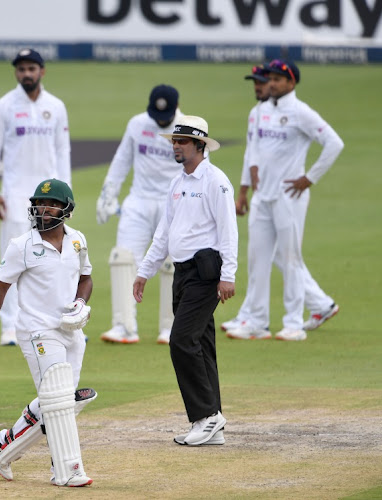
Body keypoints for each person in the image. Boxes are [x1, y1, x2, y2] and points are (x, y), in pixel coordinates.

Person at [0, 178, 95, 487]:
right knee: (58, 400)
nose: (44, 209)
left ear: (67, 209)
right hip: (37, 331)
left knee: (62, 403)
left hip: (71, 330)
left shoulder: (77, 240)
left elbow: (86, 277)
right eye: (39, 203)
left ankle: (3, 445)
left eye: (51, 204)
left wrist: (80, 302)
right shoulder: (21, 245)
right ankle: (65, 469)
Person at [133, 115, 238, 446]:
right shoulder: (177, 183)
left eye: (182, 142)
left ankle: (207, 416)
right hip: (182, 273)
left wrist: (228, 275)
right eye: (174, 141)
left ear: (200, 145)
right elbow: (164, 232)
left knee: (181, 341)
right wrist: (145, 271)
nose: (176, 146)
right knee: (202, 344)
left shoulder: (216, 181)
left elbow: (228, 231)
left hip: (206, 272)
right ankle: (211, 424)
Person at [224, 60, 343, 341]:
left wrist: (309, 177)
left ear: (292, 83)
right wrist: (248, 181)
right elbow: (253, 149)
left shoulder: (302, 113)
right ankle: (257, 321)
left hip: (290, 195)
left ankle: (293, 323)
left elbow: (334, 143)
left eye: (279, 79)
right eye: (272, 79)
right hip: (262, 195)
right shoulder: (262, 110)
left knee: (290, 259)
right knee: (257, 259)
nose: (273, 83)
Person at [0, 48, 71, 346]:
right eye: (21, 69)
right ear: (16, 73)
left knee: (52, 260)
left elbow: (62, 151)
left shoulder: (56, 106)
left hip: (51, 199)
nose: (26, 74)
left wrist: (66, 195)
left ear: (42, 71)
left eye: (31, 68)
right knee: (11, 259)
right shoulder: (4, 106)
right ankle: (10, 325)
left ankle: (51, 319)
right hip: (15, 194)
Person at [96, 84, 182, 345]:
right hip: (139, 200)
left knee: (172, 263)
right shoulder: (137, 124)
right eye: (157, 118)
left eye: (165, 119)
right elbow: (122, 160)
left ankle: (170, 327)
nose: (161, 122)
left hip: (174, 202)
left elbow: (202, 169)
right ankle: (123, 326)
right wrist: (107, 195)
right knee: (123, 258)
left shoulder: (186, 128)